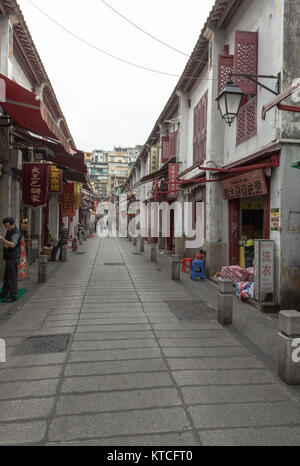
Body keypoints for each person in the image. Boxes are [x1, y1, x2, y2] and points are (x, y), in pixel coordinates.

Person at [0, 217, 22, 303]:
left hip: (13, 258)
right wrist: (3, 241)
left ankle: (13, 296)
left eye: (8, 226)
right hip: (9, 257)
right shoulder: (10, 231)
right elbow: (7, 245)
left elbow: (12, 244)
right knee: (7, 277)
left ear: (12, 224)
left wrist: (3, 239)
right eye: (5, 226)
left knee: (12, 278)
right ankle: (4, 293)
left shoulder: (15, 233)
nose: (7, 228)